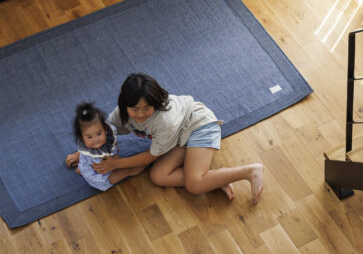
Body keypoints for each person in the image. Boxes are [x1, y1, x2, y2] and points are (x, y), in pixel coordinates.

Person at [93, 73, 264, 203]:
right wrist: (85, 152)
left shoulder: (165, 121)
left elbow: (151, 156)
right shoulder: (121, 113)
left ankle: (250, 171)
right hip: (179, 138)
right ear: (124, 105)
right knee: (158, 176)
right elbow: (105, 131)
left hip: (199, 126)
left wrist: (117, 164)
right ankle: (214, 179)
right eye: (135, 109)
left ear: (155, 103)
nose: (140, 114)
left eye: (147, 108)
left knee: (194, 185)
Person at [65, 102, 149, 191]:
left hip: (104, 162)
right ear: (82, 137)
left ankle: (145, 162)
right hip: (99, 176)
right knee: (127, 170)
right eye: (89, 137)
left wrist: (115, 157)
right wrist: (84, 165)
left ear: (105, 129)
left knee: (120, 162)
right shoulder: (85, 147)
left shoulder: (108, 136)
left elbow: (114, 148)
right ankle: (145, 163)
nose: (96, 140)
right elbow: (96, 163)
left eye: (99, 134)